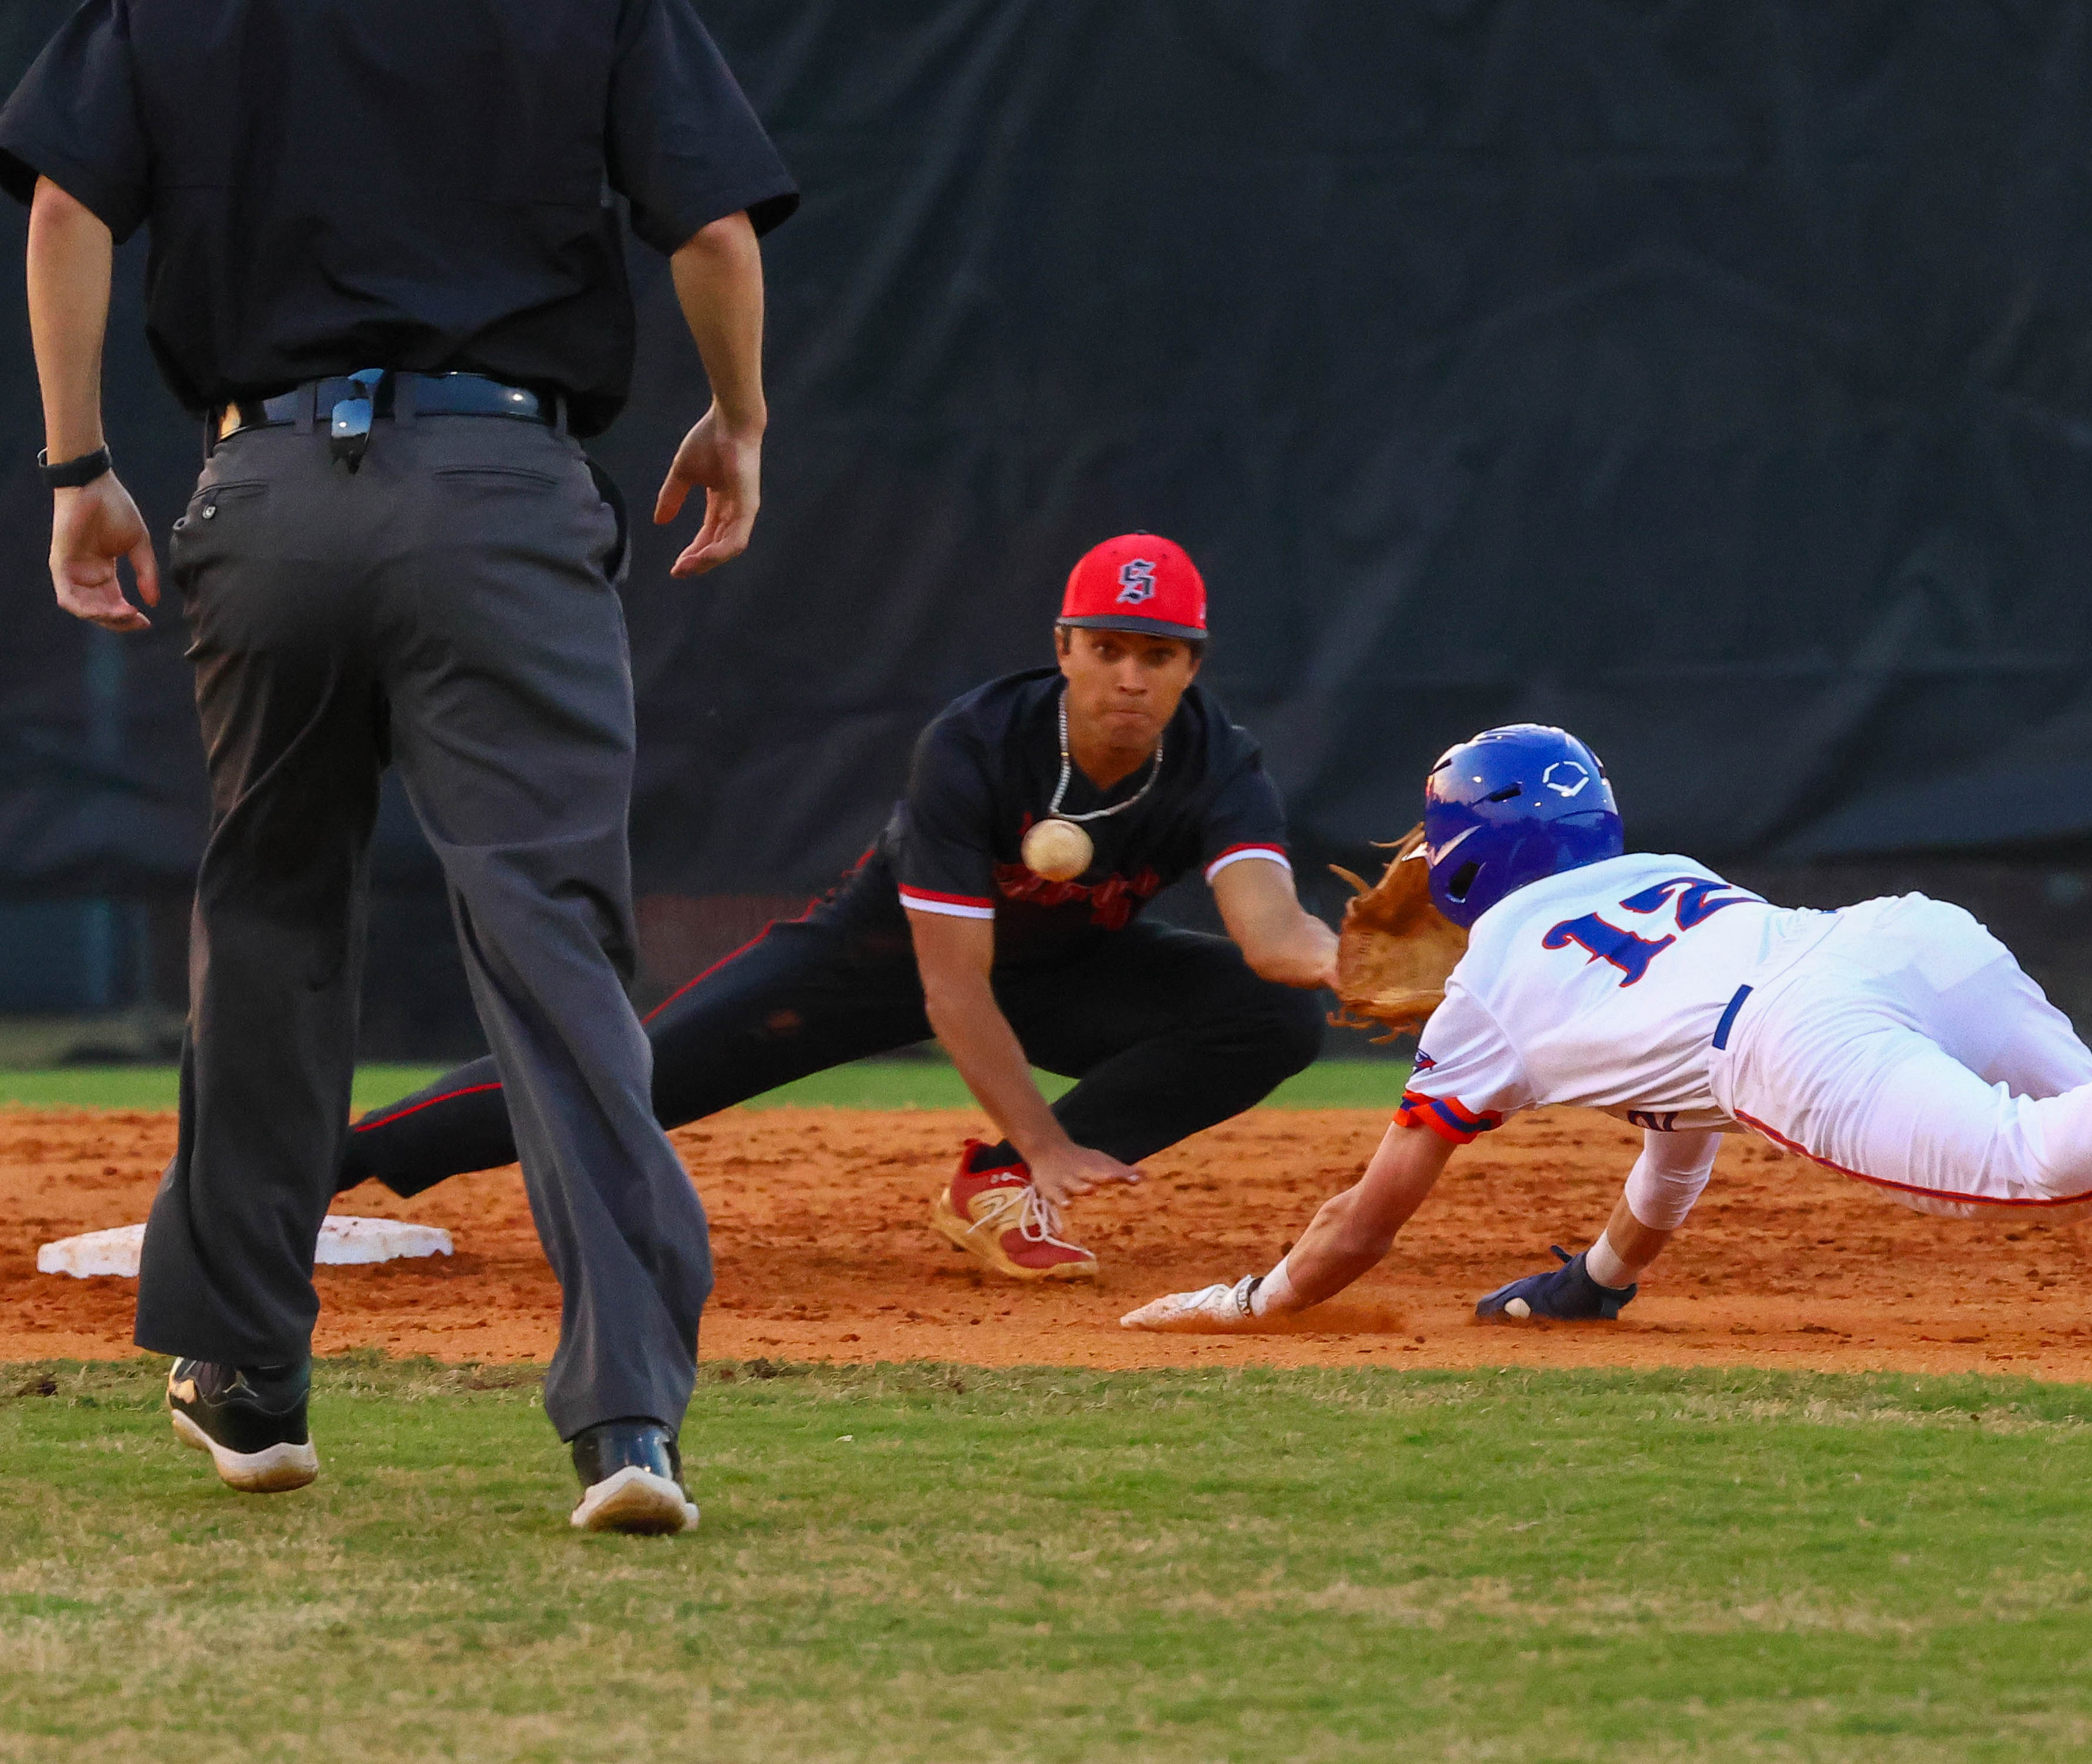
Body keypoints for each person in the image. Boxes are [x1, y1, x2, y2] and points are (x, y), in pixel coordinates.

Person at [1, 0, 797, 1534]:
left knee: (273, 922)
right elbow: (710, 228)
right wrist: (741, 418)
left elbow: (62, 203)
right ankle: (625, 1411)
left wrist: (80, 467)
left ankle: (245, 1370)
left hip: (270, 487)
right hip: (505, 491)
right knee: (550, 932)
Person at [1122, 725, 2092, 1333]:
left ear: (1470, 861)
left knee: (2049, 1165)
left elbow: (1366, 1226)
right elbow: (1674, 1139)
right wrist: (1604, 1279)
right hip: (1896, 938)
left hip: (1796, 1042)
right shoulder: (1662, 876)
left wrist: (1249, 1302)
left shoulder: (1486, 995)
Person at [343, 534, 1337, 1281]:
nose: (1131, 675)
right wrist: (1045, 1137)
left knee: (1276, 1012)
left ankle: (993, 1188)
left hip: (1067, 972)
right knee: (628, 1073)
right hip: (872, 959)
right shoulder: (980, 742)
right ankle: (319, 1172)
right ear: (1065, 647)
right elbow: (951, 985)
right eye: (1109, 646)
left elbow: (1269, 933)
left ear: (1192, 666)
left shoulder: (1217, 762)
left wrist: (1348, 965)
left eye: (1158, 655)